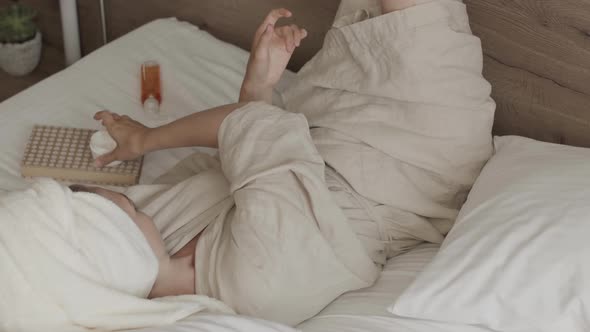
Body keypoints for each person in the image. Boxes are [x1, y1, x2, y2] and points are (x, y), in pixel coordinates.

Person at [1, 0, 495, 330]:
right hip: (413, 161)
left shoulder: (156, 239)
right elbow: (247, 127)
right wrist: (146, 139)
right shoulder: (258, 281)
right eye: (118, 211)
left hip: (323, 129)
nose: (124, 200)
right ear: (115, 250)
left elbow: (249, 145)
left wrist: (259, 84)